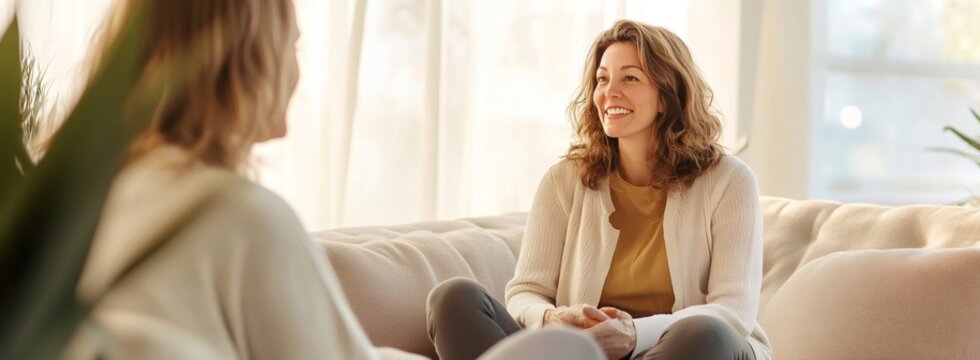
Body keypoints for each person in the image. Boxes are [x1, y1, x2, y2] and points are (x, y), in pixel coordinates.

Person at [63, 0, 602, 359]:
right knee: (569, 351)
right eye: (292, 46)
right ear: (245, 59)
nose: (297, 72)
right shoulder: (234, 214)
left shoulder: (90, 205)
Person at [426, 19, 771, 360]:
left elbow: (733, 310)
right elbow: (526, 292)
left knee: (703, 332)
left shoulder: (729, 181)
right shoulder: (563, 180)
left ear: (666, 96)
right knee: (453, 299)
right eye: (603, 79)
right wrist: (551, 318)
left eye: (630, 78)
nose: (609, 92)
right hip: (582, 355)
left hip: (678, 350)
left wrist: (636, 335)